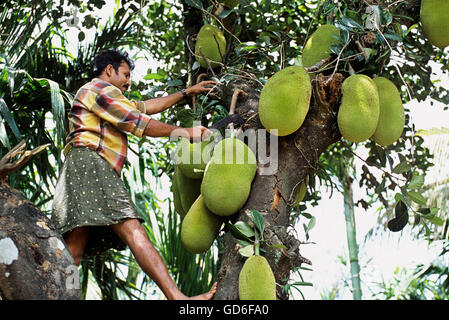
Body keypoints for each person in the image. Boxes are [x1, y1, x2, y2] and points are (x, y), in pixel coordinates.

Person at [51, 49, 217, 300]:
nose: (129, 82)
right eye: (125, 75)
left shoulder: (104, 96)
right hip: (91, 163)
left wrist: (186, 93)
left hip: (78, 168)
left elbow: (145, 108)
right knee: (132, 229)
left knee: (74, 249)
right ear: (109, 70)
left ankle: (55, 296)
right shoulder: (97, 89)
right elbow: (138, 122)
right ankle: (176, 297)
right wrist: (186, 132)